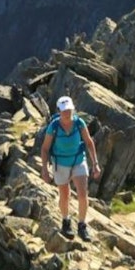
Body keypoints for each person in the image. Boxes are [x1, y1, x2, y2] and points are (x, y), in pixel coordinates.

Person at [38, 96, 101, 241]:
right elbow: (45, 149)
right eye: (64, 110)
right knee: (65, 195)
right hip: (60, 164)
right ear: (59, 110)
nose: (67, 113)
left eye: (69, 110)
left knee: (82, 194)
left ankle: (82, 225)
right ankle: (66, 221)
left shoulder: (79, 123)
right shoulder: (53, 127)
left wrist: (95, 163)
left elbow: (89, 142)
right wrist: (44, 169)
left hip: (78, 160)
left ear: (73, 108)